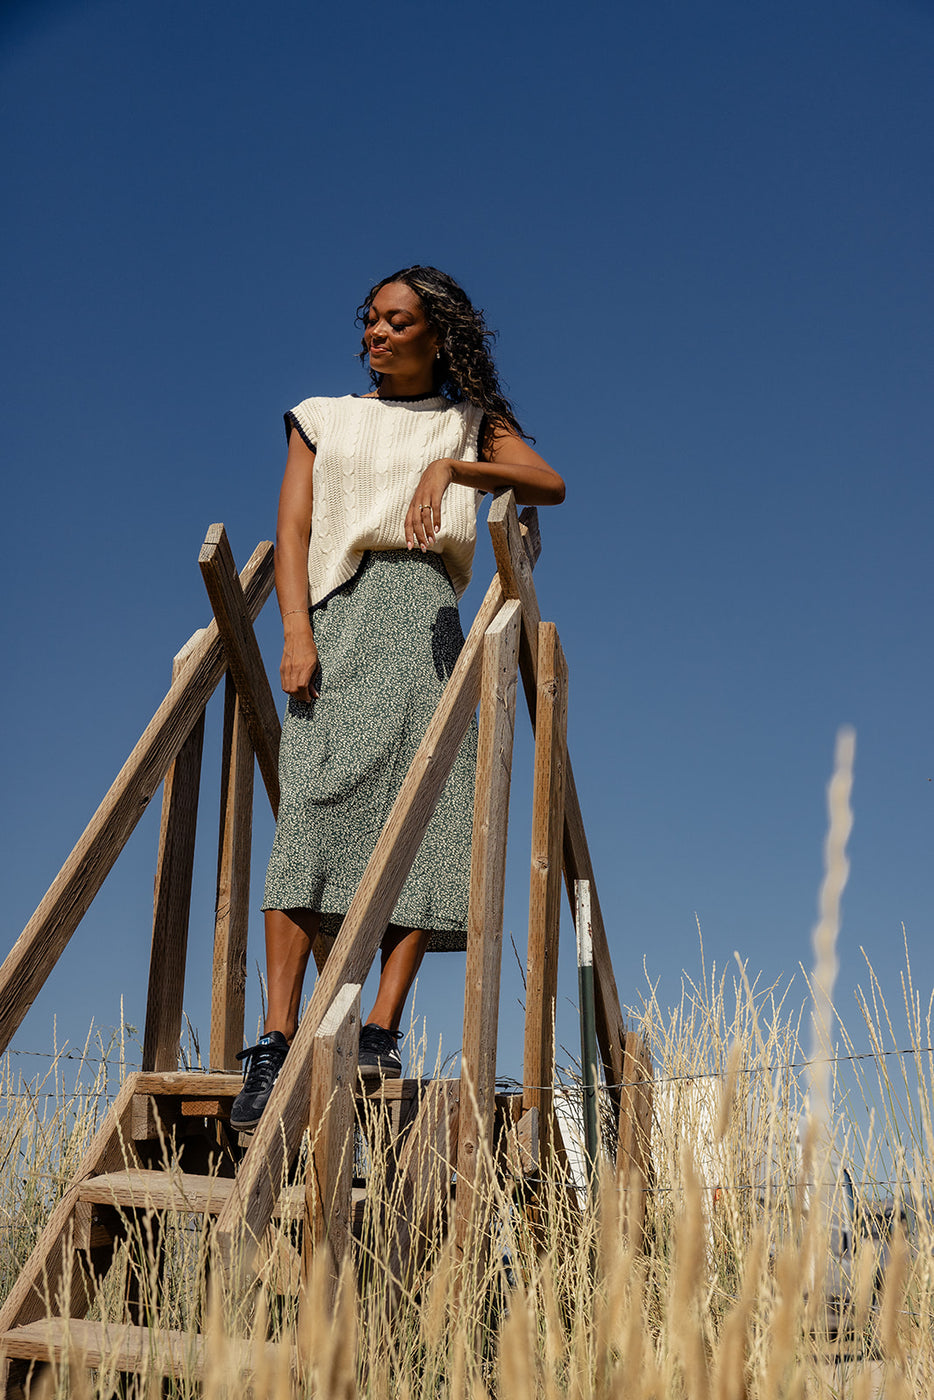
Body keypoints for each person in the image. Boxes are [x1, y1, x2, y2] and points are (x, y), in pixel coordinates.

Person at [231, 266, 565, 1131]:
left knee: (425, 820)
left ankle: (380, 1029)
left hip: (427, 624)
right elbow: (296, 527)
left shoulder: (470, 423)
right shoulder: (324, 416)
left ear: (436, 336)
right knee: (310, 809)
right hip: (341, 617)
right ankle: (275, 1040)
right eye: (370, 320)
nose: (377, 334)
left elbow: (550, 483)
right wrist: (295, 635)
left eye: (396, 321)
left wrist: (453, 468)